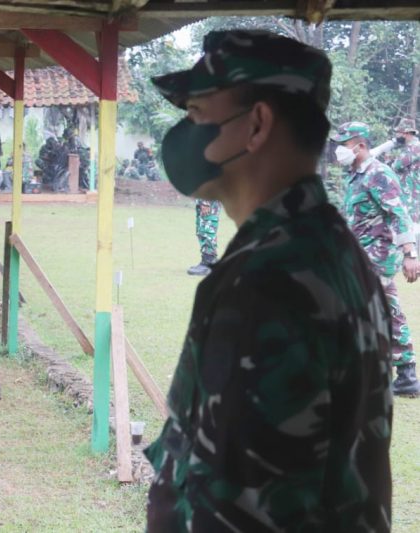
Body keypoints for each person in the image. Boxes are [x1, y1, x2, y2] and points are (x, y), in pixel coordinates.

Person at [146, 29, 393, 530]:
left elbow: (240, 509)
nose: (184, 133)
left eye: (195, 113)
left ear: (257, 124)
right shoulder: (329, 246)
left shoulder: (266, 283)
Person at [332, 121, 420, 397]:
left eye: (344, 145)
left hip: (379, 255)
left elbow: (399, 214)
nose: (339, 151)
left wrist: (410, 253)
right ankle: (404, 373)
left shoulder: (379, 174)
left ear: (360, 145)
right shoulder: (357, 175)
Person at [392, 117, 420, 227]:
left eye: (399, 132)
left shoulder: (415, 148)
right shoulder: (410, 148)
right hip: (409, 197)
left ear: (407, 133)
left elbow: (397, 165)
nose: (397, 136)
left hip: (413, 199)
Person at [186, 199, 221, 275]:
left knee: (207, 231)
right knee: (202, 231)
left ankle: (208, 262)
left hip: (209, 200)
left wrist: (206, 202)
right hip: (204, 199)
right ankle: (211, 261)